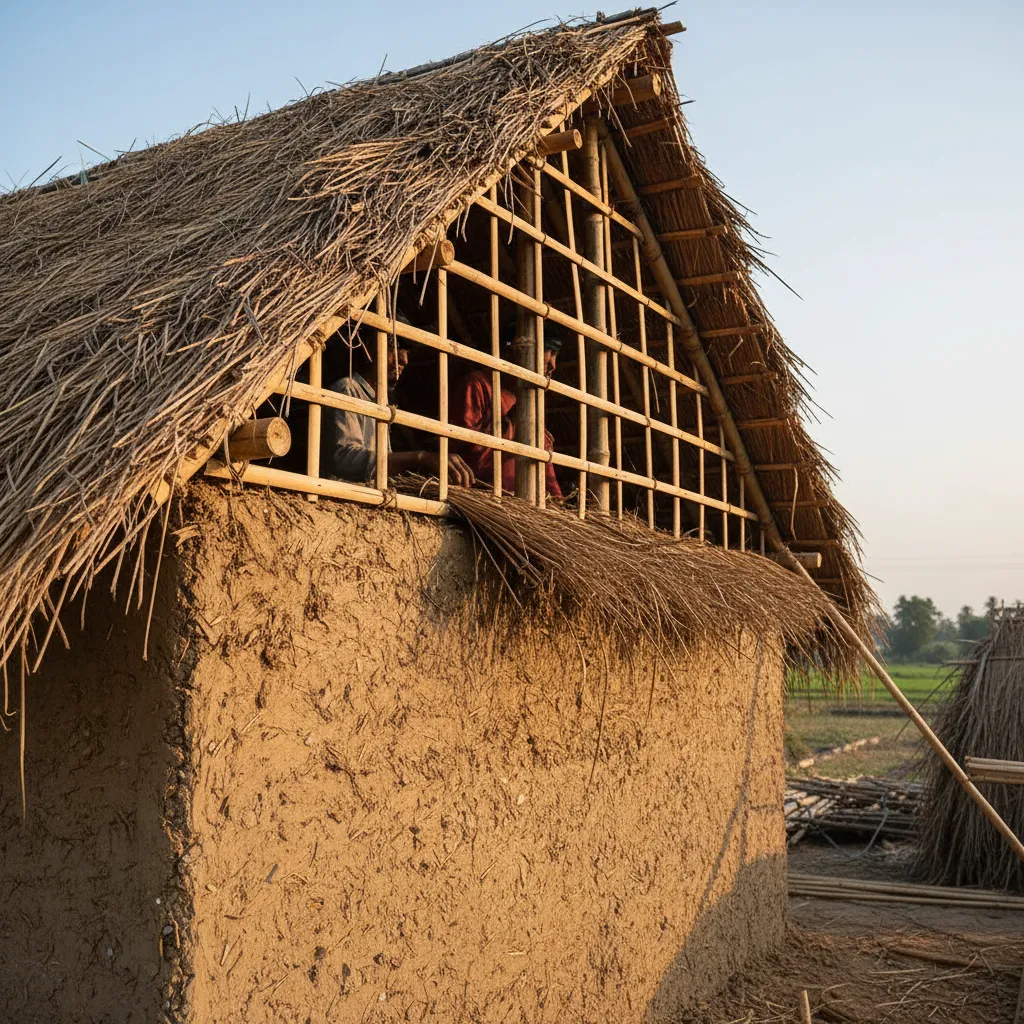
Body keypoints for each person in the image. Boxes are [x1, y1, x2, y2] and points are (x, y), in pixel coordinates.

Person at [328, 319, 475, 487]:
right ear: (368, 347)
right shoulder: (347, 389)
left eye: (406, 351)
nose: (403, 359)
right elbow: (343, 459)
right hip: (343, 495)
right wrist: (419, 458)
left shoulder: (381, 401)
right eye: (393, 345)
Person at [452, 330, 563, 499]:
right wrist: (512, 422)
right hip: (485, 502)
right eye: (549, 351)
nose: (553, 365)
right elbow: (463, 458)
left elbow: (547, 475)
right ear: (515, 350)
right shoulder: (479, 385)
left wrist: (557, 501)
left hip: (521, 507)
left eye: (556, 355)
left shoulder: (526, 402)